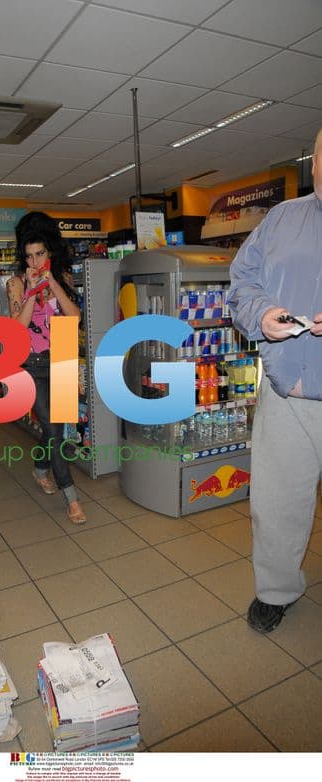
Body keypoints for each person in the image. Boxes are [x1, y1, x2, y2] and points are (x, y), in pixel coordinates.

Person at [228, 128, 322, 633]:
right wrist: (261, 315)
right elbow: (242, 284)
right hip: (288, 393)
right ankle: (277, 589)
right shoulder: (282, 217)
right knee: (277, 503)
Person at [6, 211, 87, 524]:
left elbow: (74, 317)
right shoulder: (16, 283)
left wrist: (51, 282)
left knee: (56, 429)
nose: (35, 261)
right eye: (29, 256)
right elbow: (18, 326)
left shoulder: (61, 278)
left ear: (49, 252)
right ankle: (72, 498)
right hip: (32, 365)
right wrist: (32, 291)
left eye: (40, 253)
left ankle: (40, 467)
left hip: (62, 356)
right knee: (53, 430)